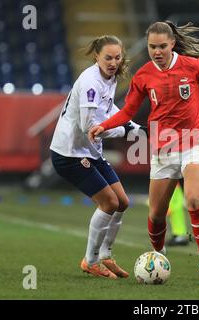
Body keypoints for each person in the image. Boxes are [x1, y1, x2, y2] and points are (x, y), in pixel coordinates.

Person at [89, 21, 199, 283]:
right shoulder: (143, 75)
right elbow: (128, 111)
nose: (157, 51)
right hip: (164, 149)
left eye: (162, 46)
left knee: (193, 200)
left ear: (172, 43)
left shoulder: (193, 65)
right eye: (152, 47)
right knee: (155, 214)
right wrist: (103, 126)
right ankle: (158, 256)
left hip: (195, 141)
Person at [50, 35, 145, 279]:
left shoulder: (109, 77)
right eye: (108, 58)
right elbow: (88, 126)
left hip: (90, 152)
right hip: (69, 153)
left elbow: (108, 108)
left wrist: (131, 123)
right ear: (96, 57)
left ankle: (106, 255)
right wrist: (124, 129)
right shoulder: (91, 81)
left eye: (117, 57)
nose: (113, 62)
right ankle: (90, 261)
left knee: (122, 202)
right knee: (109, 203)